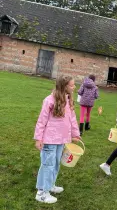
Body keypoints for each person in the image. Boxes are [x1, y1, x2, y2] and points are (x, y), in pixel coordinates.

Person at [34, 75, 81, 204]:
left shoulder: (68, 101)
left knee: (55, 164)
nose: (74, 87)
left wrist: (75, 134)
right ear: (64, 86)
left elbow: (72, 119)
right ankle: (42, 193)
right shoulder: (49, 100)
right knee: (47, 165)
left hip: (61, 139)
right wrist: (38, 139)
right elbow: (41, 121)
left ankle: (50, 185)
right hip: (49, 140)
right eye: (72, 85)